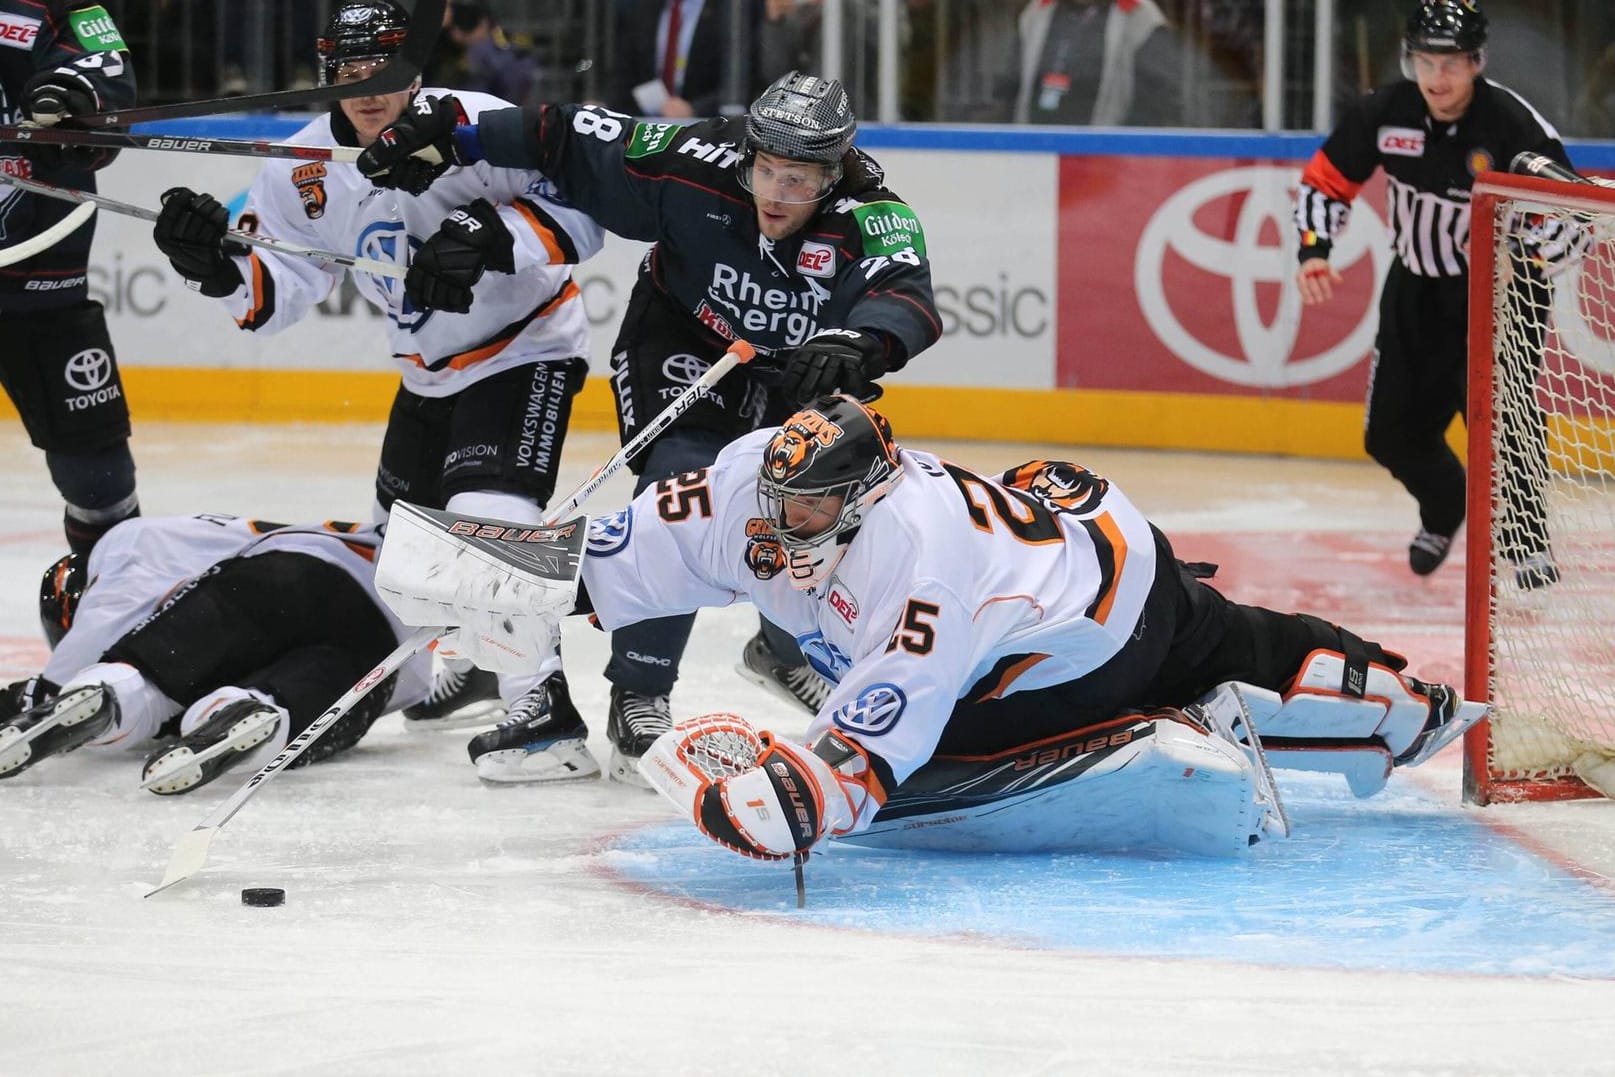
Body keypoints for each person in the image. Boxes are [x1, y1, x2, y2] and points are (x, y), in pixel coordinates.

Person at [390, 394, 1483, 858]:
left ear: (862, 500)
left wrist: (798, 799)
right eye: (776, 502)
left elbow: (871, 760)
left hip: (1086, 643)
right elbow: (605, 565)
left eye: (810, 510)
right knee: (1233, 633)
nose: (781, 528)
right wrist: (504, 579)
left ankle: (1170, 724)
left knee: (932, 765)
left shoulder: (915, 557)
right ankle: (1401, 707)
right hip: (1094, 552)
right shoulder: (739, 487)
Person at [355, 70, 942, 784]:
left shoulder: (873, 213)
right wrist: (457, 136)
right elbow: (566, 134)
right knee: (684, 489)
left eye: (798, 180)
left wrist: (861, 344)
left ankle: (785, 651)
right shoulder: (695, 160)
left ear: (835, 170)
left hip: (800, 372)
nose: (774, 196)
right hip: (682, 344)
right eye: (765, 171)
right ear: (747, 152)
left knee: (812, 513)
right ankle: (640, 695)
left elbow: (902, 294)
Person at [148, 0, 605, 733]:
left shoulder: (477, 121)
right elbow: (275, 295)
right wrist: (211, 263)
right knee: (400, 566)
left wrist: (486, 236)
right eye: (347, 72)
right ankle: (449, 676)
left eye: (382, 71)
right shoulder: (301, 166)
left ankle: (544, 702)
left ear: (414, 70)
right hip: (425, 370)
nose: (365, 88)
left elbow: (581, 211)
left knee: (488, 520)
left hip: (527, 344)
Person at [1292, 0, 1566, 588]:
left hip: (1501, 295)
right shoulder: (1388, 111)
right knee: (1388, 433)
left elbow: (1562, 212)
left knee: (1505, 423)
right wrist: (1314, 250)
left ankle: (1525, 541)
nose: (1436, 79)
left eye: (1450, 65)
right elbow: (1326, 179)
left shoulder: (1511, 124)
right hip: (1415, 288)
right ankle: (1445, 505)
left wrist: (1543, 248)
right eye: (1424, 62)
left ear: (1476, 63)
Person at [0, 512, 431, 792]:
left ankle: (112, 696)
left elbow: (72, 668)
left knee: (143, 683)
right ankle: (240, 709)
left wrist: (49, 690)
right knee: (295, 695)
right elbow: (412, 689)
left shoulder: (127, 545)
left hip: (276, 580)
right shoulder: (198, 536)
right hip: (379, 633)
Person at [0, 1, 141, 557]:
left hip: (42, 276)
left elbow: (106, 78)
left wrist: (74, 101)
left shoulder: (60, 6)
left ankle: (114, 617)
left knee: (100, 483)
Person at [1012, 0, 1183, 126]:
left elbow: (1154, 112)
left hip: (1105, 160)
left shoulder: (1141, 18)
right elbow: (1009, 91)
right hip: (1034, 156)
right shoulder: (1037, 11)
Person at [608, 0, 763, 118]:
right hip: (648, 122)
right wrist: (602, 106)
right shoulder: (643, 8)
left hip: (709, 126)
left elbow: (744, 82)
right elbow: (623, 73)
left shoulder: (734, 10)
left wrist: (694, 109)